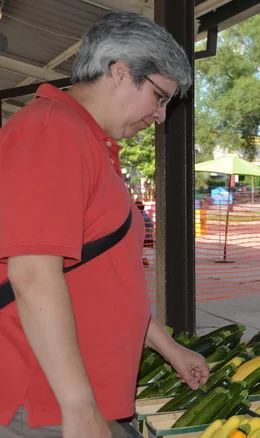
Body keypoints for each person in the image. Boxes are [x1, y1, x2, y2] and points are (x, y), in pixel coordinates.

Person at [0, 12, 209, 438]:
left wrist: (167, 347)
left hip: (79, 398)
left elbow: (103, 274)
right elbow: (33, 275)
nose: (161, 115)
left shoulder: (87, 141)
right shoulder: (51, 131)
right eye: (160, 96)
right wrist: (78, 407)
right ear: (120, 72)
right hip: (44, 401)